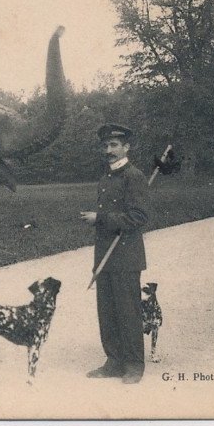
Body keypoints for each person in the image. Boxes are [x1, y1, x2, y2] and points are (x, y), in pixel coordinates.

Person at [80, 123, 150, 384]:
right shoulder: (106, 178)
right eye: (105, 146)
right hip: (104, 255)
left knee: (127, 311)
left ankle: (133, 365)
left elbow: (139, 217)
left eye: (114, 145)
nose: (108, 150)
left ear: (126, 147)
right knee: (107, 311)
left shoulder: (134, 176)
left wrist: (100, 218)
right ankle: (113, 361)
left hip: (126, 256)